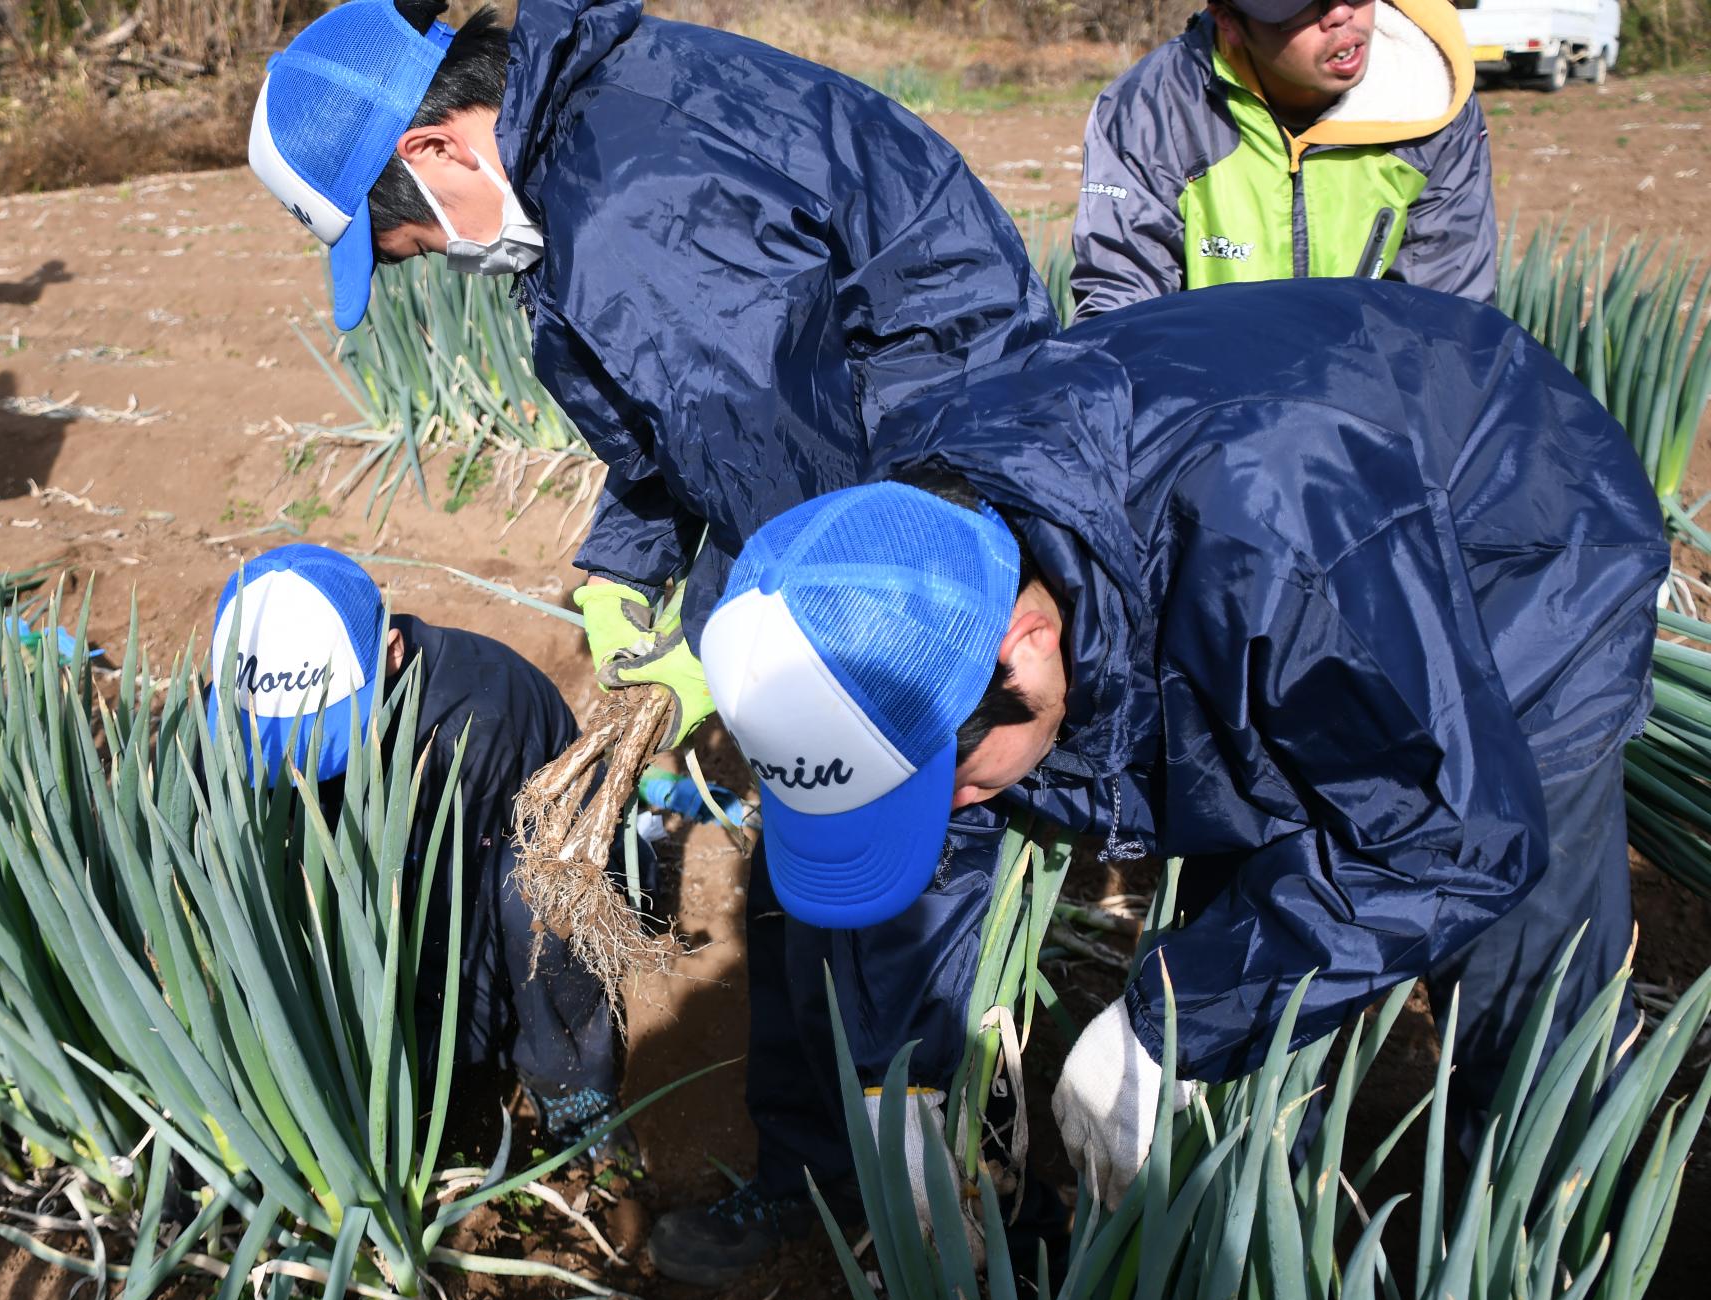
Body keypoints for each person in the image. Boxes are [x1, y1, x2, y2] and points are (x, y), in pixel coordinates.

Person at [246, 0, 1058, 1281]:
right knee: (804, 852)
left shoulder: (631, 212)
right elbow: (682, 420)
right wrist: (629, 569)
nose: (421, 260)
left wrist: (725, 646)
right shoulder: (584, 151)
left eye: (401, 240)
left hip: (913, 511)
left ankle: (949, 1250)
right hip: (843, 466)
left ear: (439, 145)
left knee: (897, 878)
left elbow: (781, 472)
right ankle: (811, 1181)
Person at [698, 279, 1664, 1217]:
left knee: (1523, 991)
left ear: (1025, 656)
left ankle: (1553, 1228)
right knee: (1258, 946)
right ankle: (1265, 1210)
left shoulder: (1271, 550)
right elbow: (938, 820)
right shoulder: (900, 556)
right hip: (1259, 585)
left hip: (1522, 547)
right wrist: (899, 1076)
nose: (950, 812)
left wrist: (1171, 1024)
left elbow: (1458, 833)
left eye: (939, 788)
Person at [206, 544, 638, 1161]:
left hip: (515, 867)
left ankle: (570, 1091)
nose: (306, 762)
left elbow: (462, 939)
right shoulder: (253, 679)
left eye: (328, 731)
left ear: (392, 653)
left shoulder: (478, 726)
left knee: (531, 901)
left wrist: (443, 1108)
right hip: (405, 866)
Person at [1071, 1, 1496, 321]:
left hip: (1368, 415)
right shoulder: (1151, 109)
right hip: (1205, 412)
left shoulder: (1431, 101)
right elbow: (1123, 310)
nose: (1341, 14)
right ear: (1229, 21)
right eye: (1302, 6)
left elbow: (1445, 318)